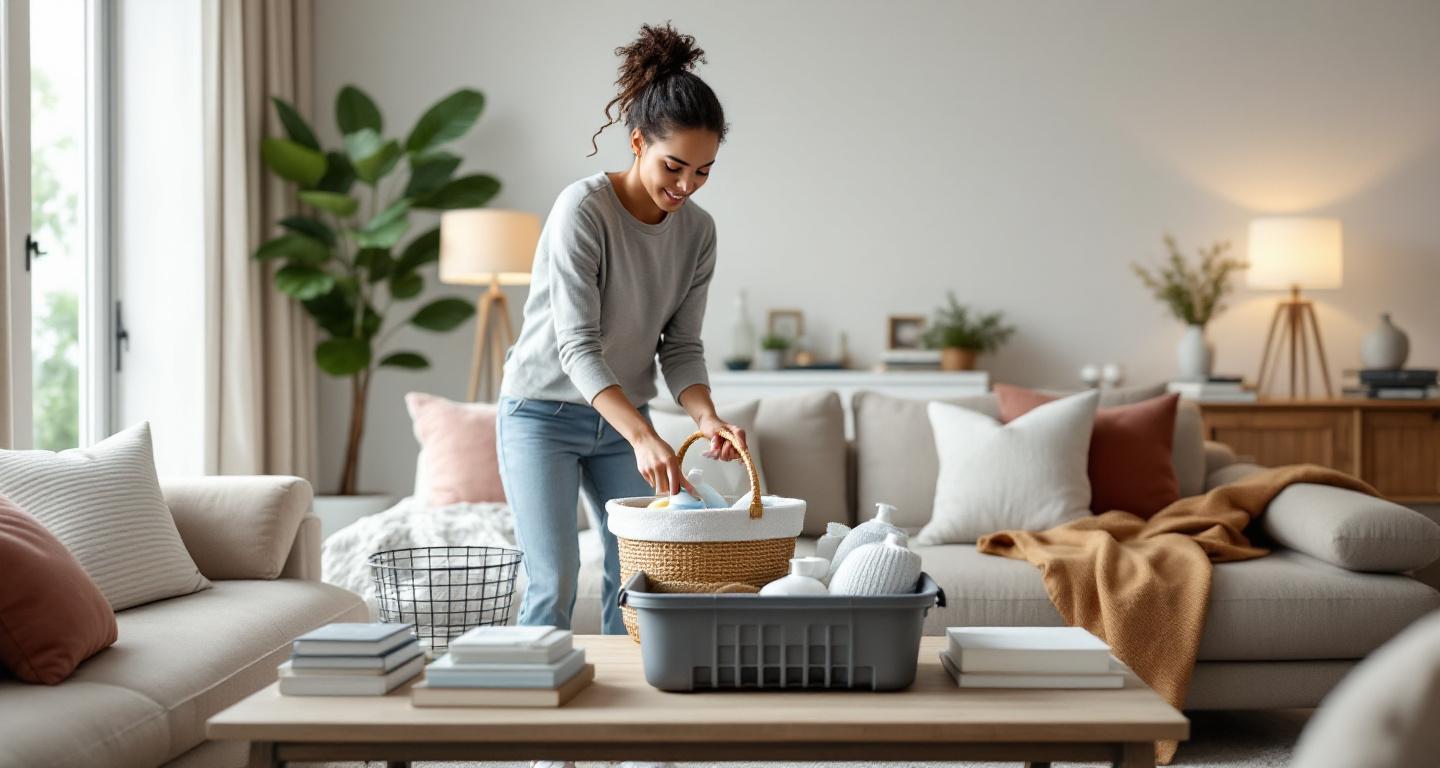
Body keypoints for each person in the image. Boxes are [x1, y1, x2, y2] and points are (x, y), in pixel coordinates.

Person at [496, 22, 745, 635]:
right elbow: (577, 345)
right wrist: (642, 436)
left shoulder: (699, 233)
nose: (686, 186)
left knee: (637, 577)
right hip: (540, 414)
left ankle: (625, 721)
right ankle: (540, 719)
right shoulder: (583, 209)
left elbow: (680, 346)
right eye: (674, 166)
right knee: (553, 579)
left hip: (620, 419)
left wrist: (705, 416)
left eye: (704, 171)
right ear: (637, 142)